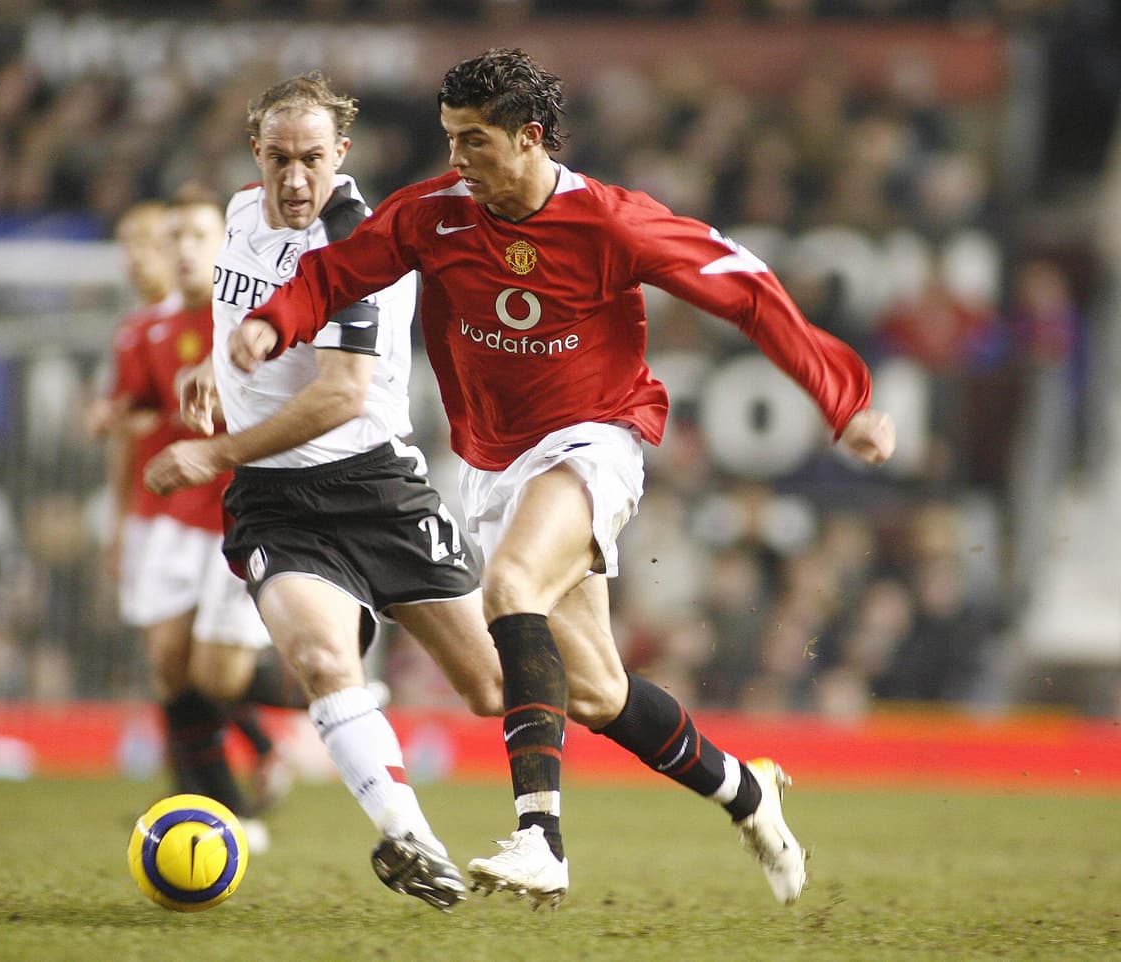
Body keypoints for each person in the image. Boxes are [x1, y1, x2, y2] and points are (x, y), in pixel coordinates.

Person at [229, 48, 898, 910]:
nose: (456, 160)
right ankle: (744, 790)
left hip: (595, 439)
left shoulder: (611, 222)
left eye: (473, 142)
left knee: (512, 590)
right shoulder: (435, 213)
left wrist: (842, 402)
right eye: (449, 139)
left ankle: (540, 838)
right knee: (594, 690)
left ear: (529, 137)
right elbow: (337, 271)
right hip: (493, 465)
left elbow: (747, 290)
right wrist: (273, 322)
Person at [142, 73, 505, 912]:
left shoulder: (357, 244)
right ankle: (411, 838)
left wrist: (214, 452)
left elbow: (340, 395)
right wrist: (211, 372)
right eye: (278, 158)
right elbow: (240, 317)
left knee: (492, 689)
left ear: (340, 155)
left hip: (375, 486)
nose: (294, 179)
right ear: (255, 155)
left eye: (312, 158)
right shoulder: (239, 213)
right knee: (317, 658)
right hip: (275, 499)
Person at [89, 194, 300, 853]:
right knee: (169, 665)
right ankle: (220, 806)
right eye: (167, 237)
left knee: (216, 675)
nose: (174, 250)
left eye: (191, 236)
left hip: (241, 515)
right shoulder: (142, 331)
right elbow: (140, 417)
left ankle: (328, 689)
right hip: (171, 515)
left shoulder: (250, 320)